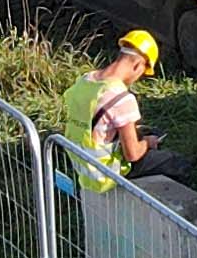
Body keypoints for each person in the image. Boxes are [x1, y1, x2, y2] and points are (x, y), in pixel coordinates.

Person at [64, 31, 159, 172]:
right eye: (143, 72)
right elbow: (132, 154)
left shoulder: (85, 81)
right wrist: (147, 143)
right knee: (173, 161)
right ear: (137, 65)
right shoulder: (122, 98)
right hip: (105, 174)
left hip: (79, 164)